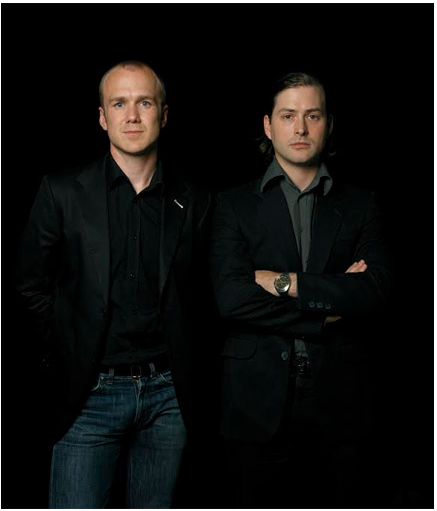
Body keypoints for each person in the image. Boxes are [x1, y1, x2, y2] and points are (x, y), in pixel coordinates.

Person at [15, 60, 211, 508]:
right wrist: (67, 349)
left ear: (164, 114)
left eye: (145, 103)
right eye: (119, 104)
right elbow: (30, 285)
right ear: (102, 117)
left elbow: (205, 293)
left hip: (168, 397)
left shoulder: (197, 201)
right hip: (89, 395)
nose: (132, 115)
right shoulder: (62, 191)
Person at [210, 72, 391, 508]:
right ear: (268, 126)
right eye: (288, 115)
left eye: (313, 115)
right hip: (255, 400)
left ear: (329, 124)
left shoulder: (361, 203)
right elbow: (231, 299)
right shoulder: (232, 204)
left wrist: (284, 282)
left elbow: (375, 290)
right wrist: (327, 308)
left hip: (342, 397)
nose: (301, 128)